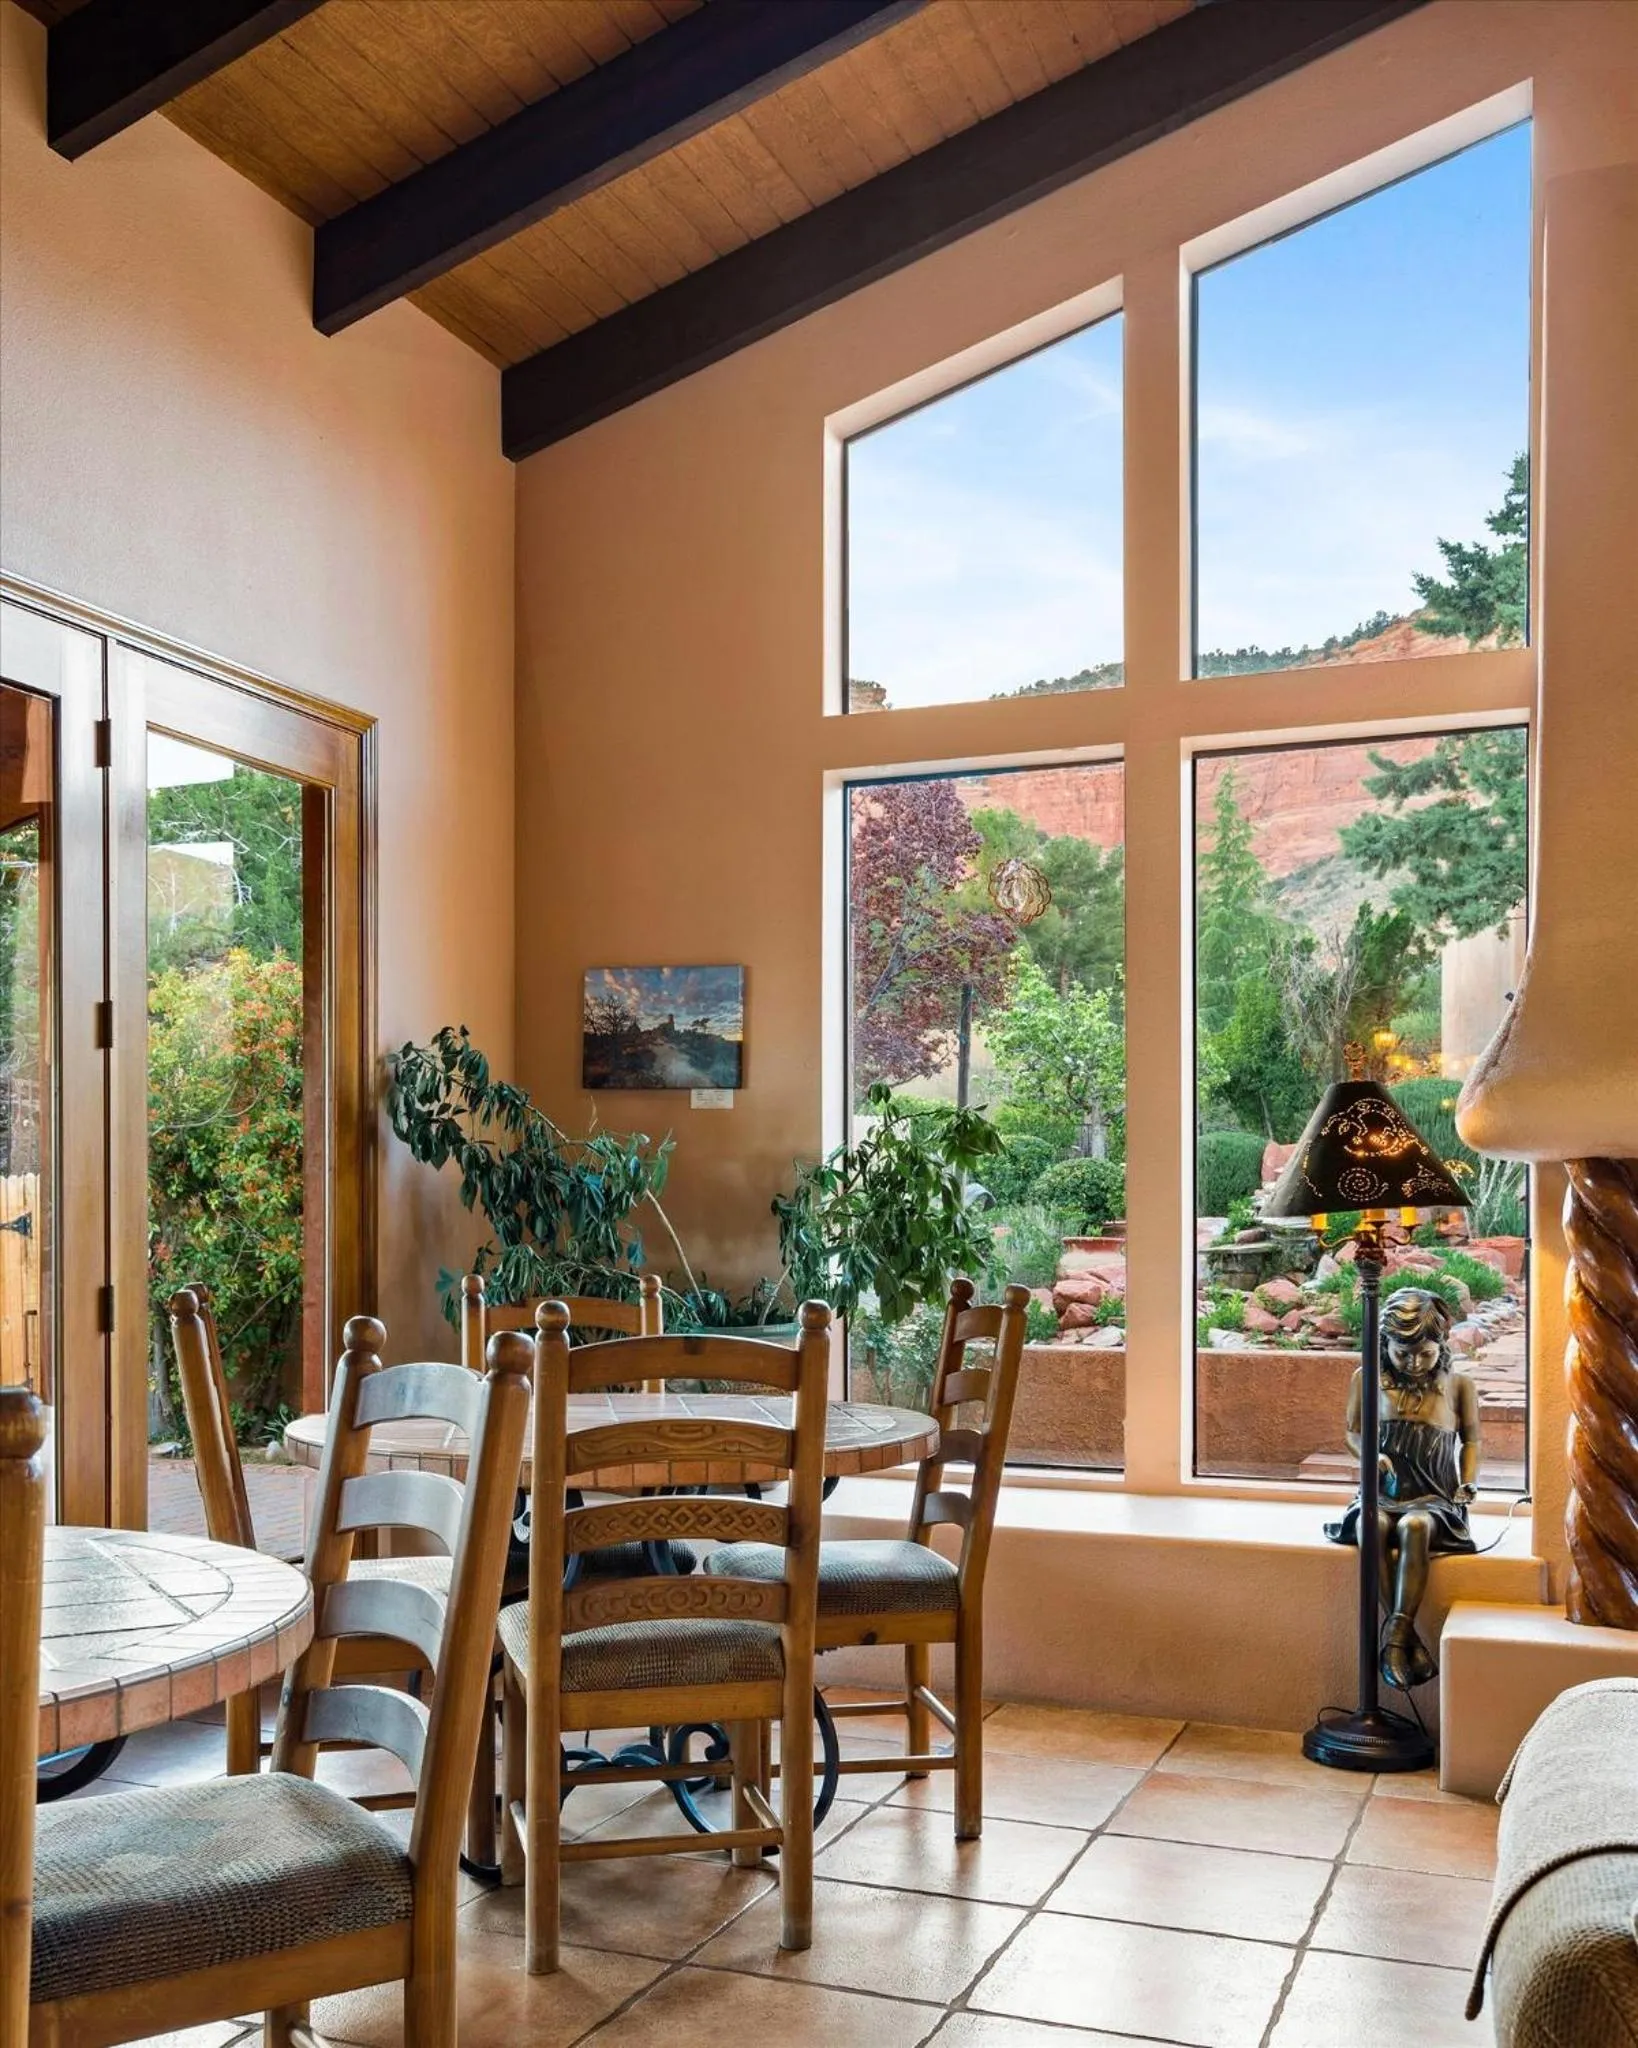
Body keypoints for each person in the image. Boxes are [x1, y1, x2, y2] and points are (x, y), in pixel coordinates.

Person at [1325, 1285, 1482, 1689]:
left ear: (1442, 1344)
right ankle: (1404, 1640)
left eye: (1425, 1354)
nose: (1414, 1362)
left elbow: (1472, 1441)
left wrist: (1468, 1483)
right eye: (1402, 1353)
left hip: (1434, 1494)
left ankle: (1395, 1640)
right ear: (1385, 1345)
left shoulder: (1458, 1384)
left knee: (1414, 1527)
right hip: (1383, 1490)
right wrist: (1369, 1455)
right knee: (1369, 1525)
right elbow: (1352, 1433)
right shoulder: (1367, 1378)